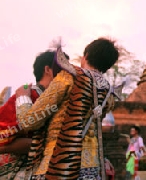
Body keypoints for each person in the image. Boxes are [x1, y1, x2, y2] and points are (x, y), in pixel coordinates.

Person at [14, 37, 119, 180]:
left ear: (85, 56)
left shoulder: (69, 77)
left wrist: (22, 97)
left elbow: (29, 121)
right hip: (93, 170)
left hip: (58, 167)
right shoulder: (109, 92)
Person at [0, 50, 68, 180]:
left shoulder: (63, 98)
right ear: (48, 69)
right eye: (63, 67)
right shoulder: (28, 95)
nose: (69, 72)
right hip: (18, 169)